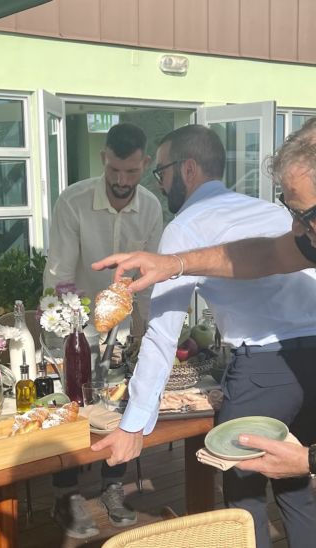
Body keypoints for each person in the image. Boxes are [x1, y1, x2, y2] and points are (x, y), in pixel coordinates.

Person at [90, 124, 316, 548]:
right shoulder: (277, 217)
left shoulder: (187, 224)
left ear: (187, 169)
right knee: (298, 489)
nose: (300, 228)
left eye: (159, 172)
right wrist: (174, 263)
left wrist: (135, 424)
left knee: (243, 506)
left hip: (265, 373)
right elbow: (268, 254)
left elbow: (161, 335)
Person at [44, 122, 163, 538]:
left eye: (131, 172)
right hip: (73, 319)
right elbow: (59, 274)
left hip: (124, 324)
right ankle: (67, 493)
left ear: (145, 164)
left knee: (119, 404)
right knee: (71, 406)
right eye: (114, 170)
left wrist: (148, 330)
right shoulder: (72, 201)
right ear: (104, 159)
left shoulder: (150, 207)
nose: (121, 180)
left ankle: (114, 487)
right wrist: (72, 328)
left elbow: (148, 276)